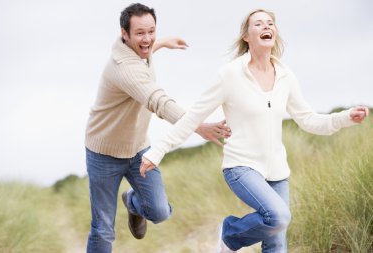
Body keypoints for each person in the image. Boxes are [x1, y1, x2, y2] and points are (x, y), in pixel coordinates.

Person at [140, 9, 369, 253]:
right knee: (279, 216)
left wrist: (345, 118)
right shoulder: (230, 75)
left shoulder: (285, 76)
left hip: (278, 172)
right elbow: (193, 117)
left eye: (270, 23)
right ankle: (229, 234)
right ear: (247, 36)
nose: (266, 27)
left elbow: (308, 120)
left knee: (277, 244)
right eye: (258, 24)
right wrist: (157, 151)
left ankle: (232, 237)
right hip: (241, 166)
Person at [84, 3, 231, 253]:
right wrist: (197, 126)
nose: (147, 39)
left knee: (160, 211)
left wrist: (161, 43)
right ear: (124, 34)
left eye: (151, 31)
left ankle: (132, 202)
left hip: (138, 148)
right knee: (103, 228)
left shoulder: (138, 50)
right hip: (103, 153)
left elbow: (146, 49)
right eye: (140, 33)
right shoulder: (124, 69)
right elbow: (158, 101)